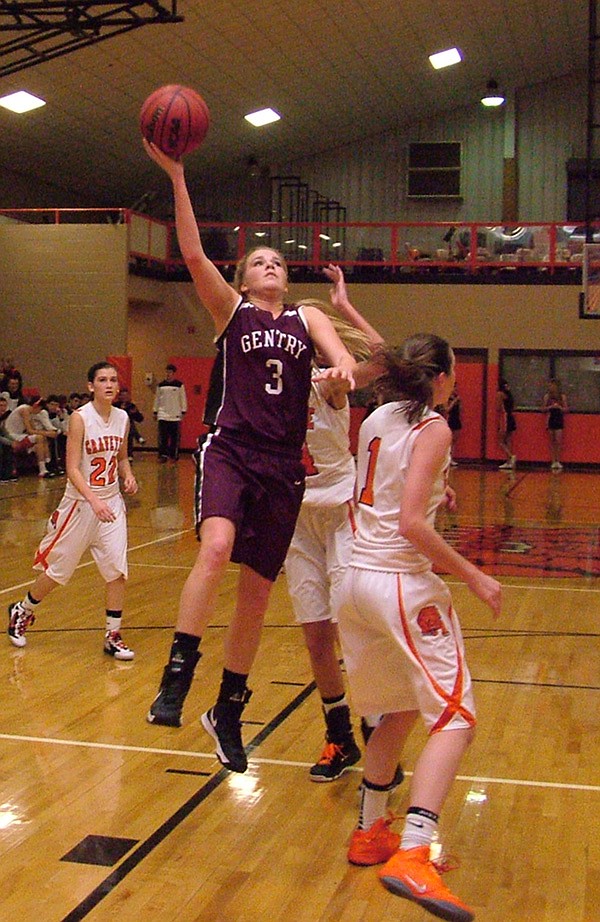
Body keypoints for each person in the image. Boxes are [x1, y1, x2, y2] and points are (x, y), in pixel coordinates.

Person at [143, 139, 357, 774]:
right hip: (231, 449)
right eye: (257, 261)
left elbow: (337, 356)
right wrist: (178, 175)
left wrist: (342, 370)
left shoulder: (304, 315)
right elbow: (189, 251)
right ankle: (177, 677)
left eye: (277, 262)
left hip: (284, 467)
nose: (269, 266)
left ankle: (228, 710)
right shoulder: (231, 312)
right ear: (241, 278)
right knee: (213, 548)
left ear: (287, 278)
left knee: (258, 595)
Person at [337, 334, 501, 922]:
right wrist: (476, 577)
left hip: (353, 582)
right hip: (401, 586)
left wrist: (438, 489)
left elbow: (388, 491)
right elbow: (409, 521)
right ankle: (413, 851)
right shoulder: (434, 428)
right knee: (455, 718)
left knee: (400, 709)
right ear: (440, 379)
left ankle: (370, 832)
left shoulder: (377, 416)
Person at [284, 265, 386, 781]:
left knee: (351, 624)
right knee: (315, 637)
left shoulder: (329, 380)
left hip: (340, 508)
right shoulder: (268, 381)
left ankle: (376, 726)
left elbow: (387, 359)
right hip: (295, 516)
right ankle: (338, 735)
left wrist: (344, 305)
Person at [7, 362, 138, 660]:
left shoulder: (123, 418)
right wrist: (93, 499)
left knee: (118, 570)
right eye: (102, 380)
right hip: (80, 505)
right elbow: (72, 469)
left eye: (113, 380)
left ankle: (112, 635)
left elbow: (121, 457)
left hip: (111, 504)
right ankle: (22, 610)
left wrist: (127, 476)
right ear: (91, 386)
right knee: (57, 573)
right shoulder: (81, 419)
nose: (109, 385)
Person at [5, 397, 54, 478]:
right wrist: (47, 433)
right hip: (12, 436)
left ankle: (46, 465)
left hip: (19, 435)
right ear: (37, 407)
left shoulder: (29, 412)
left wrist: (46, 434)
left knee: (41, 439)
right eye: (39, 410)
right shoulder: (24, 410)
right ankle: (43, 466)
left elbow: (33, 429)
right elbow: (30, 430)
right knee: (39, 438)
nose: (39, 412)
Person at [153, 364, 187, 462]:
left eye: (170, 372)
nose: (168, 374)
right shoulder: (161, 385)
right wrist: (155, 411)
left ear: (174, 373)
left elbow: (183, 398)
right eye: (167, 372)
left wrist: (183, 410)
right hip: (163, 414)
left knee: (174, 438)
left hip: (175, 415)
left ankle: (173, 455)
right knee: (162, 437)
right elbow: (157, 399)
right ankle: (163, 455)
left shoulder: (179, 385)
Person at [542, 378, 567, 471]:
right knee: (552, 441)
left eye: (552, 385)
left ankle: (558, 460)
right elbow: (543, 409)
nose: (551, 387)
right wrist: (550, 407)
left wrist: (560, 407)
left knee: (558, 440)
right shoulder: (547, 396)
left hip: (559, 419)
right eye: (550, 385)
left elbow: (566, 409)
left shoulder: (562, 396)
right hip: (551, 418)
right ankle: (553, 461)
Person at [114, 386, 145, 460]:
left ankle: (129, 453)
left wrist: (135, 413)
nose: (124, 397)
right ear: (119, 396)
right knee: (130, 426)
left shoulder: (131, 406)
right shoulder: (115, 406)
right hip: (116, 426)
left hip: (127, 427)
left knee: (129, 426)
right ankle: (138, 438)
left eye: (126, 395)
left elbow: (140, 419)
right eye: (123, 395)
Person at [497, 376, 517, 470]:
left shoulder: (500, 394)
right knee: (508, 440)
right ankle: (508, 462)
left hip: (504, 417)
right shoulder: (509, 394)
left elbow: (498, 407)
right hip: (510, 416)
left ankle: (511, 456)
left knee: (501, 441)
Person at [446, 386, 461, 466]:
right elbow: (447, 409)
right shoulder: (448, 398)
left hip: (456, 419)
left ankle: (452, 458)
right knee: (450, 441)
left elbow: (460, 410)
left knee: (454, 441)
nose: (455, 390)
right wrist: (454, 401)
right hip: (450, 419)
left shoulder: (457, 398)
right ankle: (447, 458)